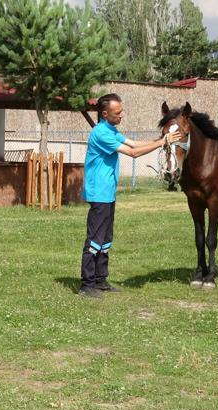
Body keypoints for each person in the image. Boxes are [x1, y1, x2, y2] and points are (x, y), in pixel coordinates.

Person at [78, 93, 182, 298]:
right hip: (99, 193)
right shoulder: (100, 133)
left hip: (107, 193)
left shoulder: (111, 129)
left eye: (121, 111)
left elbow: (134, 143)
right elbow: (133, 153)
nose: (122, 115)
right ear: (105, 114)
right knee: (95, 239)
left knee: (105, 239)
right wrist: (163, 142)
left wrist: (162, 139)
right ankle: (86, 284)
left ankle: (101, 280)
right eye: (118, 113)